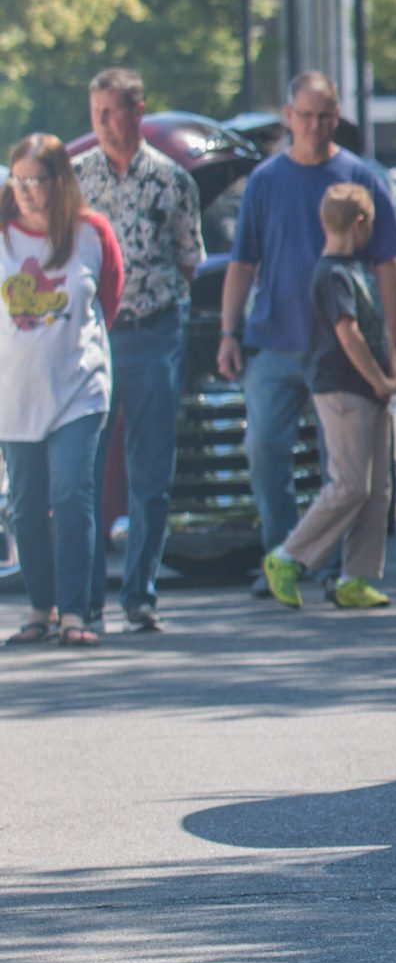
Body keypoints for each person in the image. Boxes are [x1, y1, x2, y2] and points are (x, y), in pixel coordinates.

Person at [217, 73, 396, 580]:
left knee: (343, 469)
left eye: (326, 116)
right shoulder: (265, 180)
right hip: (274, 340)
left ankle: (328, 567)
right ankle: (283, 555)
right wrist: (227, 332)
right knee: (264, 452)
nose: (317, 126)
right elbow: (242, 262)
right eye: (306, 115)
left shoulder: (360, 178)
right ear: (288, 115)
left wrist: (394, 340)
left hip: (342, 351)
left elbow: (388, 263)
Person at [75, 68, 201, 634]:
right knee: (86, 466)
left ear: (137, 111)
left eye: (112, 111)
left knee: (150, 470)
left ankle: (140, 595)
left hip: (155, 332)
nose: (103, 123)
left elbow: (188, 259)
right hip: (94, 336)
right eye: (95, 112)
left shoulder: (172, 181)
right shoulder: (76, 181)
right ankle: (86, 598)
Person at [1, 134, 123, 649]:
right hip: (13, 393)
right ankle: (40, 606)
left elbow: (109, 302)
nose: (27, 190)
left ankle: (76, 612)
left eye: (38, 180)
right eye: (19, 179)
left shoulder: (91, 233)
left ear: (60, 182)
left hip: (78, 387)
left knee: (71, 494)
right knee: (26, 505)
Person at [262, 184, 396, 611]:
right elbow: (347, 332)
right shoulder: (334, 273)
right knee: (349, 485)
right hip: (344, 389)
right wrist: (379, 379)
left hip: (368, 391)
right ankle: (288, 557)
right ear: (359, 223)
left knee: (376, 490)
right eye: (370, 223)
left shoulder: (354, 269)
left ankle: (356, 576)